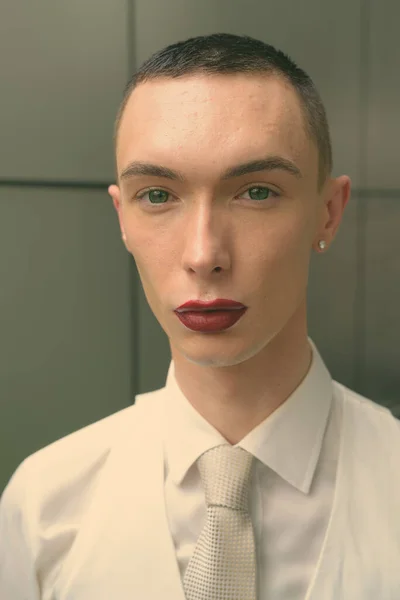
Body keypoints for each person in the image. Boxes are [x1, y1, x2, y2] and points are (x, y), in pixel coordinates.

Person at [1, 32, 399, 600]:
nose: (203, 255)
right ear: (122, 217)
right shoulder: (43, 508)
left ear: (328, 214)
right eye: (158, 196)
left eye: (257, 191)